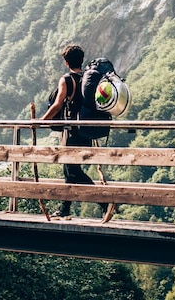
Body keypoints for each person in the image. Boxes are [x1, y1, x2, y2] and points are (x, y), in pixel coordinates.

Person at [40, 43, 113, 220]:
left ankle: (105, 202)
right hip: (86, 130)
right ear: (82, 60)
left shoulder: (67, 79)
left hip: (72, 131)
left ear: (66, 62)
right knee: (70, 170)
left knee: (72, 170)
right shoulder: (88, 79)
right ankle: (65, 208)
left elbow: (58, 104)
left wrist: (41, 120)